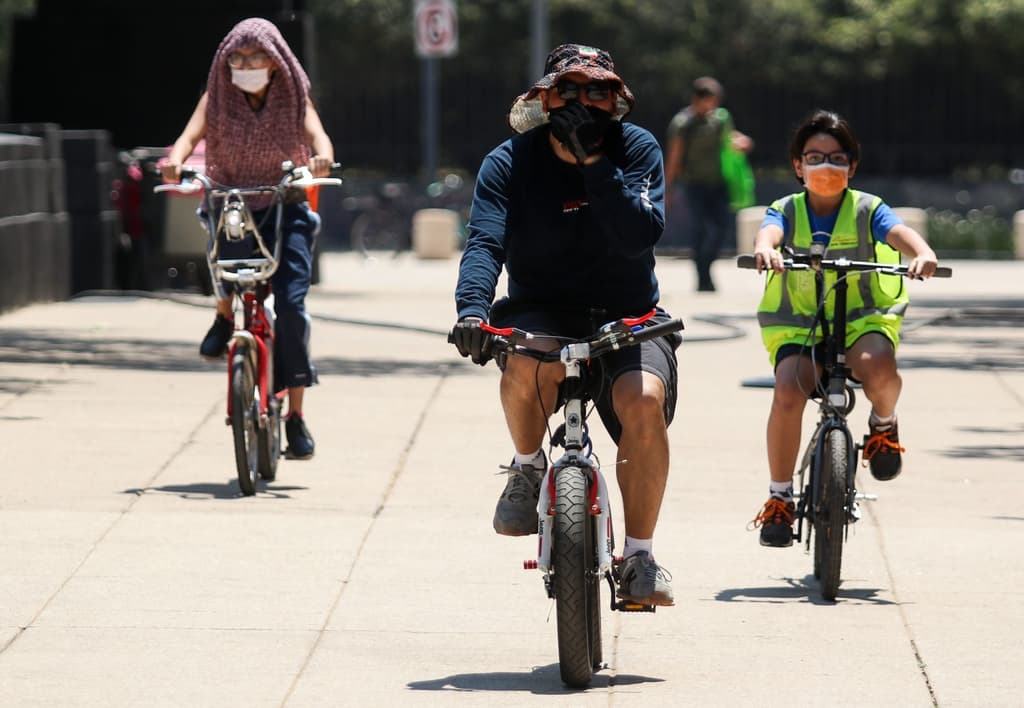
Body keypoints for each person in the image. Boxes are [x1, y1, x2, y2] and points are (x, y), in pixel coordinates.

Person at [449, 44, 681, 607]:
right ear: (546, 100)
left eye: (596, 91)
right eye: (568, 91)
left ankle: (641, 556)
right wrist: (472, 311)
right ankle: (528, 466)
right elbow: (485, 242)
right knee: (526, 360)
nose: (582, 102)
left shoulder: (637, 148)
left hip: (628, 313)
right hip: (541, 309)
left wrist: (595, 165)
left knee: (644, 399)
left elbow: (639, 235)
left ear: (614, 100)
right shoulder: (509, 161)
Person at [749, 110, 938, 548]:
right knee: (788, 390)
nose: (826, 166)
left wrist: (923, 253)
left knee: (879, 366)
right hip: (800, 324)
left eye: (836, 158)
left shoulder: (868, 208)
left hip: (862, 319)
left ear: (852, 166)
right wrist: (765, 249)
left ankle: (883, 425)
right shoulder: (786, 208)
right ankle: (780, 497)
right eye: (814, 157)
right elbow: (769, 232)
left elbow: (899, 232)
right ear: (798, 165)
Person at [161, 17, 334, 460]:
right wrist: (175, 161)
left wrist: (321, 158)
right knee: (221, 252)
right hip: (233, 200)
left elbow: (318, 137)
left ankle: (295, 415)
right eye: (236, 58)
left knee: (291, 306)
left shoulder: (294, 98)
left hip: (285, 204)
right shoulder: (216, 97)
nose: (246, 65)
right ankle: (224, 318)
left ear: (275, 62)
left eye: (256, 57)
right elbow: (188, 136)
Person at [664, 77, 753, 292]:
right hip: (694, 184)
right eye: (708, 100)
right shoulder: (683, 123)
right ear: (696, 99)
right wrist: (667, 187)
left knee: (721, 227)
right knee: (701, 229)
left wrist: (743, 142)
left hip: (719, 183)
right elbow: (674, 156)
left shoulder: (720, 119)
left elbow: (730, 140)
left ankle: (707, 267)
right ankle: (702, 276)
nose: (712, 105)